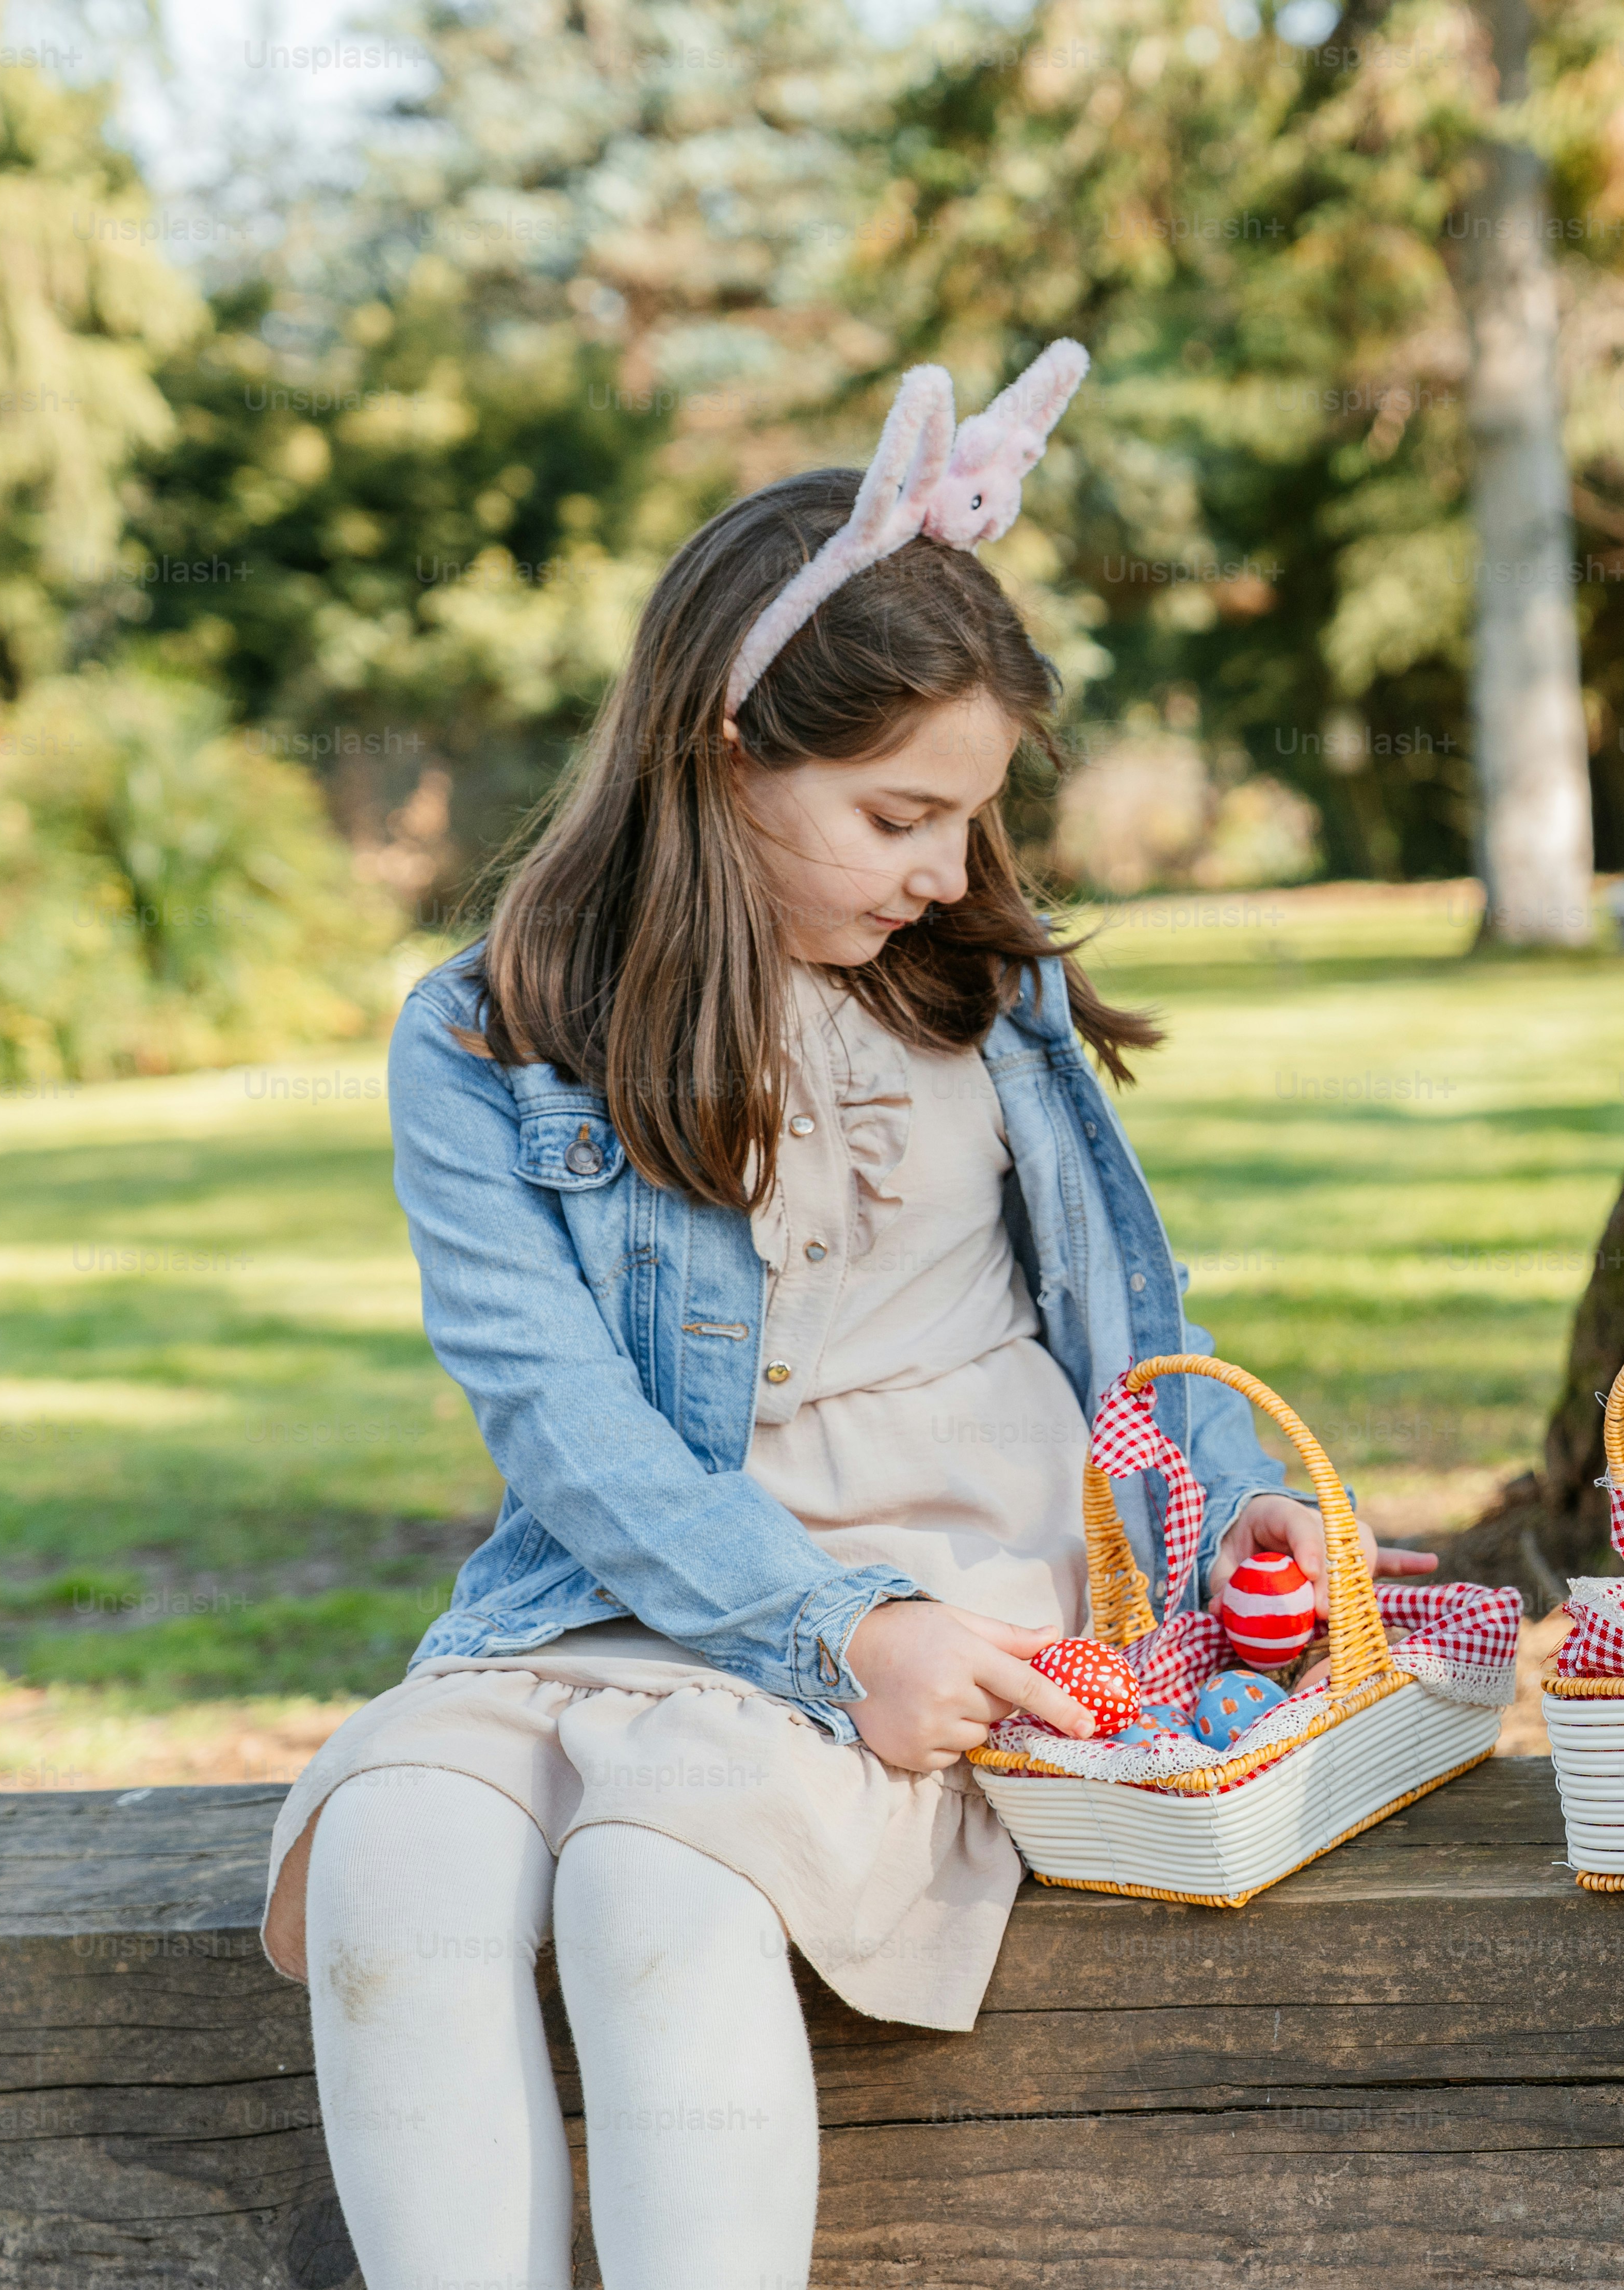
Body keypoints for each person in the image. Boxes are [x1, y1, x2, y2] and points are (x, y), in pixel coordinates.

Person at [255, 350, 1433, 2290]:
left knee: (661, 1873)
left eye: (971, 816)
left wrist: (1228, 1510)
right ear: (721, 754)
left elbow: (1130, 1320)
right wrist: (821, 1624)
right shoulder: (489, 1035)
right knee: (399, 1859)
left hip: (956, 1570)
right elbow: (565, 1426)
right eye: (898, 813)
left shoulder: (978, 992)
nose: (952, 870)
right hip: (632, 1571)